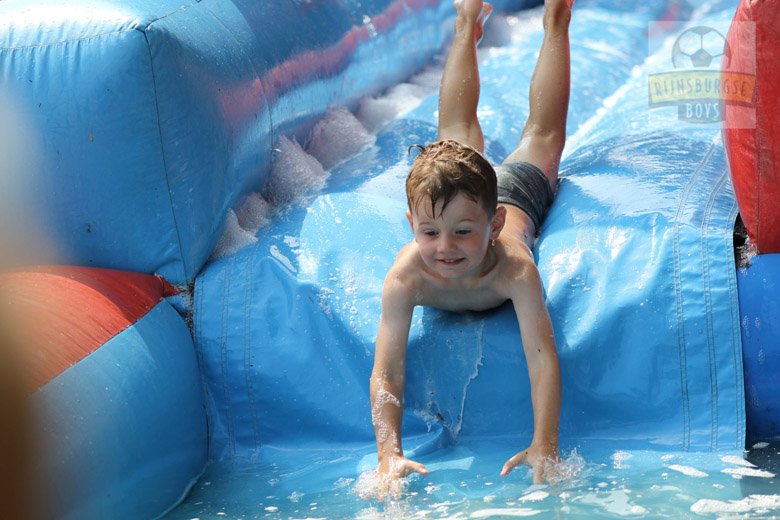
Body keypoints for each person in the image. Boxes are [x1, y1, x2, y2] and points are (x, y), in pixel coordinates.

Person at [369, 0, 571, 497]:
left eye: (462, 233)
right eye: (429, 233)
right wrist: (389, 454)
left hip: (515, 193)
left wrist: (544, 445)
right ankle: (466, 20)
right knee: (454, 141)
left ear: (493, 225)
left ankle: (556, 18)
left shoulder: (514, 270)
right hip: (465, 199)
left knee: (543, 138)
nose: (445, 248)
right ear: (411, 226)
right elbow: (387, 372)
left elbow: (542, 359)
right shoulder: (407, 277)